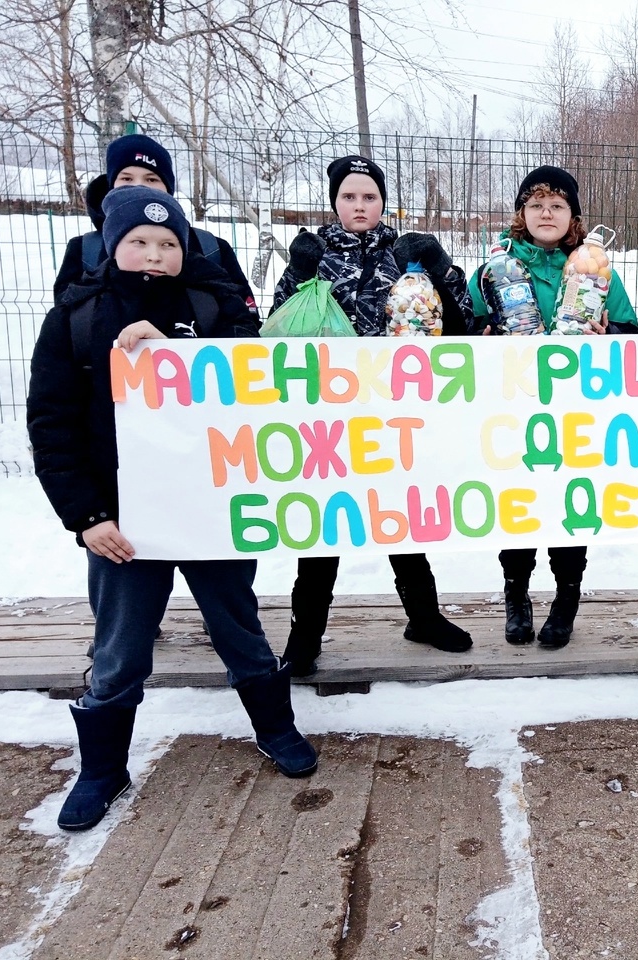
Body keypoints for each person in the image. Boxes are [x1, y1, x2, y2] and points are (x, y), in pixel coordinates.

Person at [27, 186, 319, 831]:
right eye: (138, 242)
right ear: (111, 245)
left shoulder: (216, 307)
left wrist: (178, 353)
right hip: (122, 524)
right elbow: (53, 426)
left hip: (209, 511)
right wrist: (87, 518)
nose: (154, 255)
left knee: (239, 628)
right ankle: (103, 768)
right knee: (120, 649)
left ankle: (277, 730)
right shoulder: (77, 317)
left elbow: (257, 383)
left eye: (168, 244)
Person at [272, 155, 476, 674]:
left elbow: (459, 324)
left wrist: (440, 266)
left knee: (399, 515)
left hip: (395, 406)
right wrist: (296, 270)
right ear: (335, 201)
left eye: (369, 197)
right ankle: (305, 634)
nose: (359, 206)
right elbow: (278, 324)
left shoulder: (402, 253)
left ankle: (424, 616)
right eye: (348, 197)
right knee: (327, 523)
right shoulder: (315, 252)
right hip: (327, 409)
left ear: (383, 202)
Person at [468, 165, 638, 649]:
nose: (547, 212)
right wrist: (479, 336)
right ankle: (516, 595)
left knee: (570, 504)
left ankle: (567, 598)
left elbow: (629, 330)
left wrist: (610, 335)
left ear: (573, 216)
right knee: (516, 505)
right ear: (522, 212)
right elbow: (466, 328)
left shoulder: (594, 267)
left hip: (576, 407)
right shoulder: (495, 266)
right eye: (537, 203)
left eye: (558, 205)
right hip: (511, 405)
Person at [53, 134, 257, 317]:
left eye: (151, 179)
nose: (139, 186)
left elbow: (244, 319)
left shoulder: (211, 248)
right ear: (111, 184)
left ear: (168, 188)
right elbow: (66, 325)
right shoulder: (85, 250)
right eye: (126, 178)